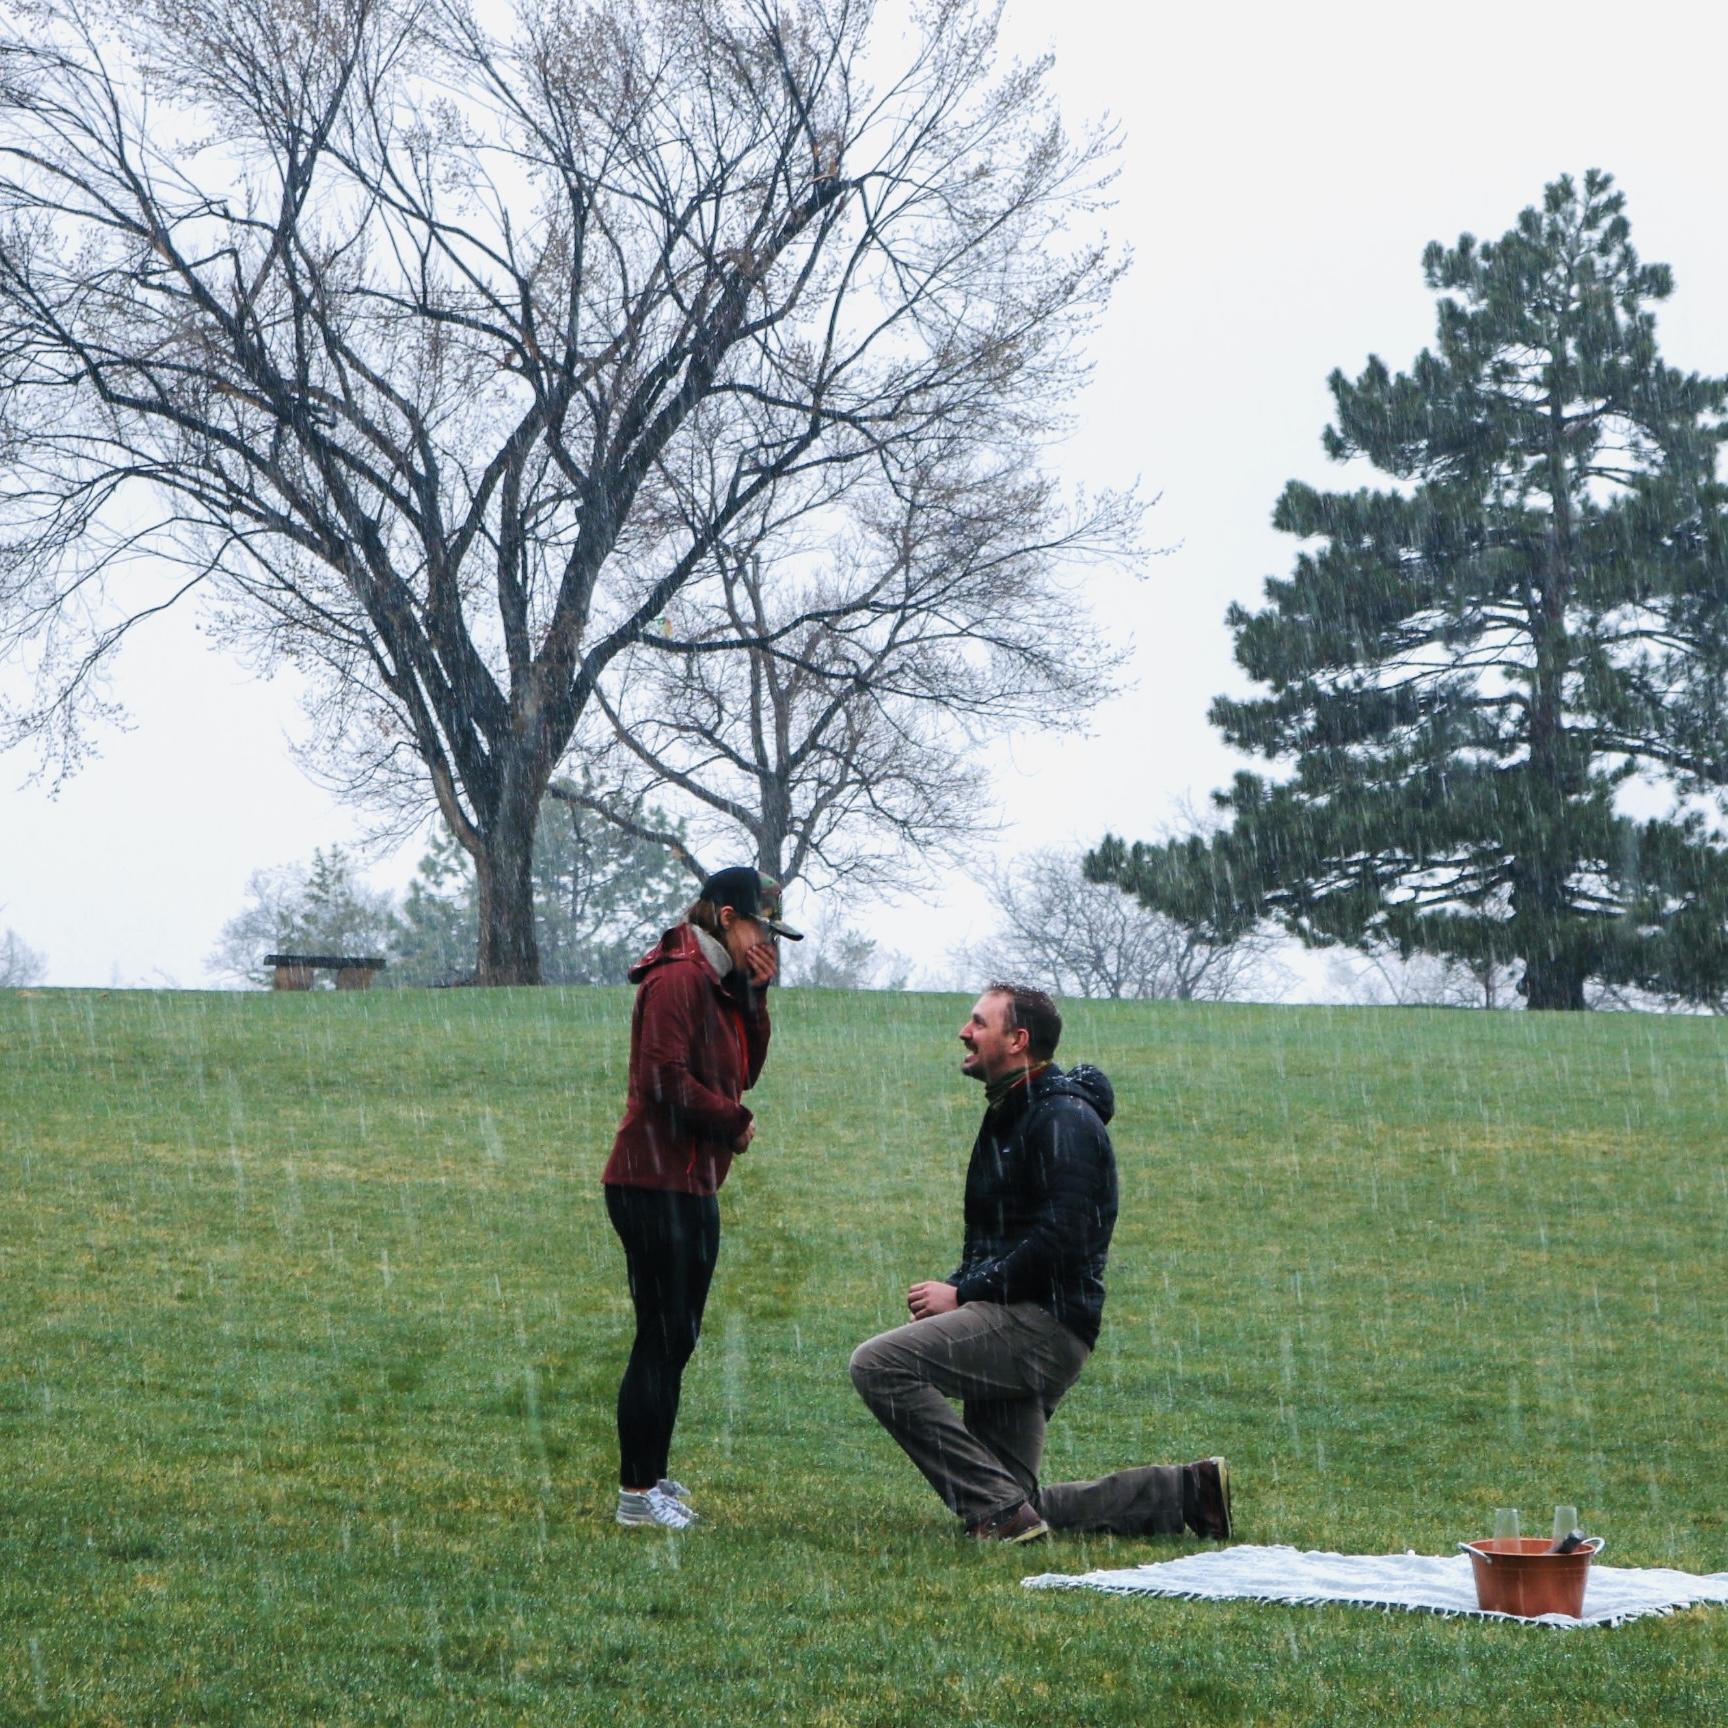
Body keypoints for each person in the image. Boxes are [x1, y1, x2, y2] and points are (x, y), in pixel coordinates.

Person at [849, 981, 1233, 1543]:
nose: (964, 1031)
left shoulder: (1062, 1120)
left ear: (1018, 1039)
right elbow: (1005, 1237)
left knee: (878, 1365)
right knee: (1012, 1493)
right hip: (1020, 1316)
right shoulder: (1015, 1110)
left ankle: (998, 1517)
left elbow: (1063, 1240)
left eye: (979, 1022)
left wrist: (962, 1295)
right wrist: (965, 1290)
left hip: (1042, 1326)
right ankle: (1185, 1493)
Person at [603, 866, 801, 1530]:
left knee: (676, 1337)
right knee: (661, 1336)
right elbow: (660, 1078)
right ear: (724, 915)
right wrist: (731, 1123)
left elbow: (743, 1071)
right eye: (759, 927)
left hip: (686, 1182)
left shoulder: (718, 981)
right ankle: (636, 1496)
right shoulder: (679, 978)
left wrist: (757, 996)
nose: (764, 941)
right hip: (652, 1181)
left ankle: (651, 1477)